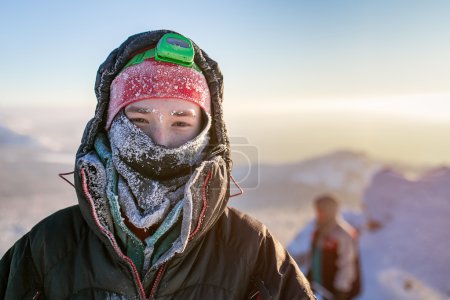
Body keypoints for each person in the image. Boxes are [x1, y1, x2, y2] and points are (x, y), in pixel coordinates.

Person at [0, 30, 315, 299]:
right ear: (108, 127)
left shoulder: (254, 253)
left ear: (208, 132)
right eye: (138, 120)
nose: (160, 141)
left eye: (181, 123)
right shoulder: (46, 249)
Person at [307, 195, 361, 300]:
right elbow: (315, 258)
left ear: (329, 212)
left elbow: (347, 265)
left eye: (320, 211)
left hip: (334, 292)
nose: (318, 214)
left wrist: (340, 292)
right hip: (318, 289)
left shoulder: (342, 234)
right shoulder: (318, 232)